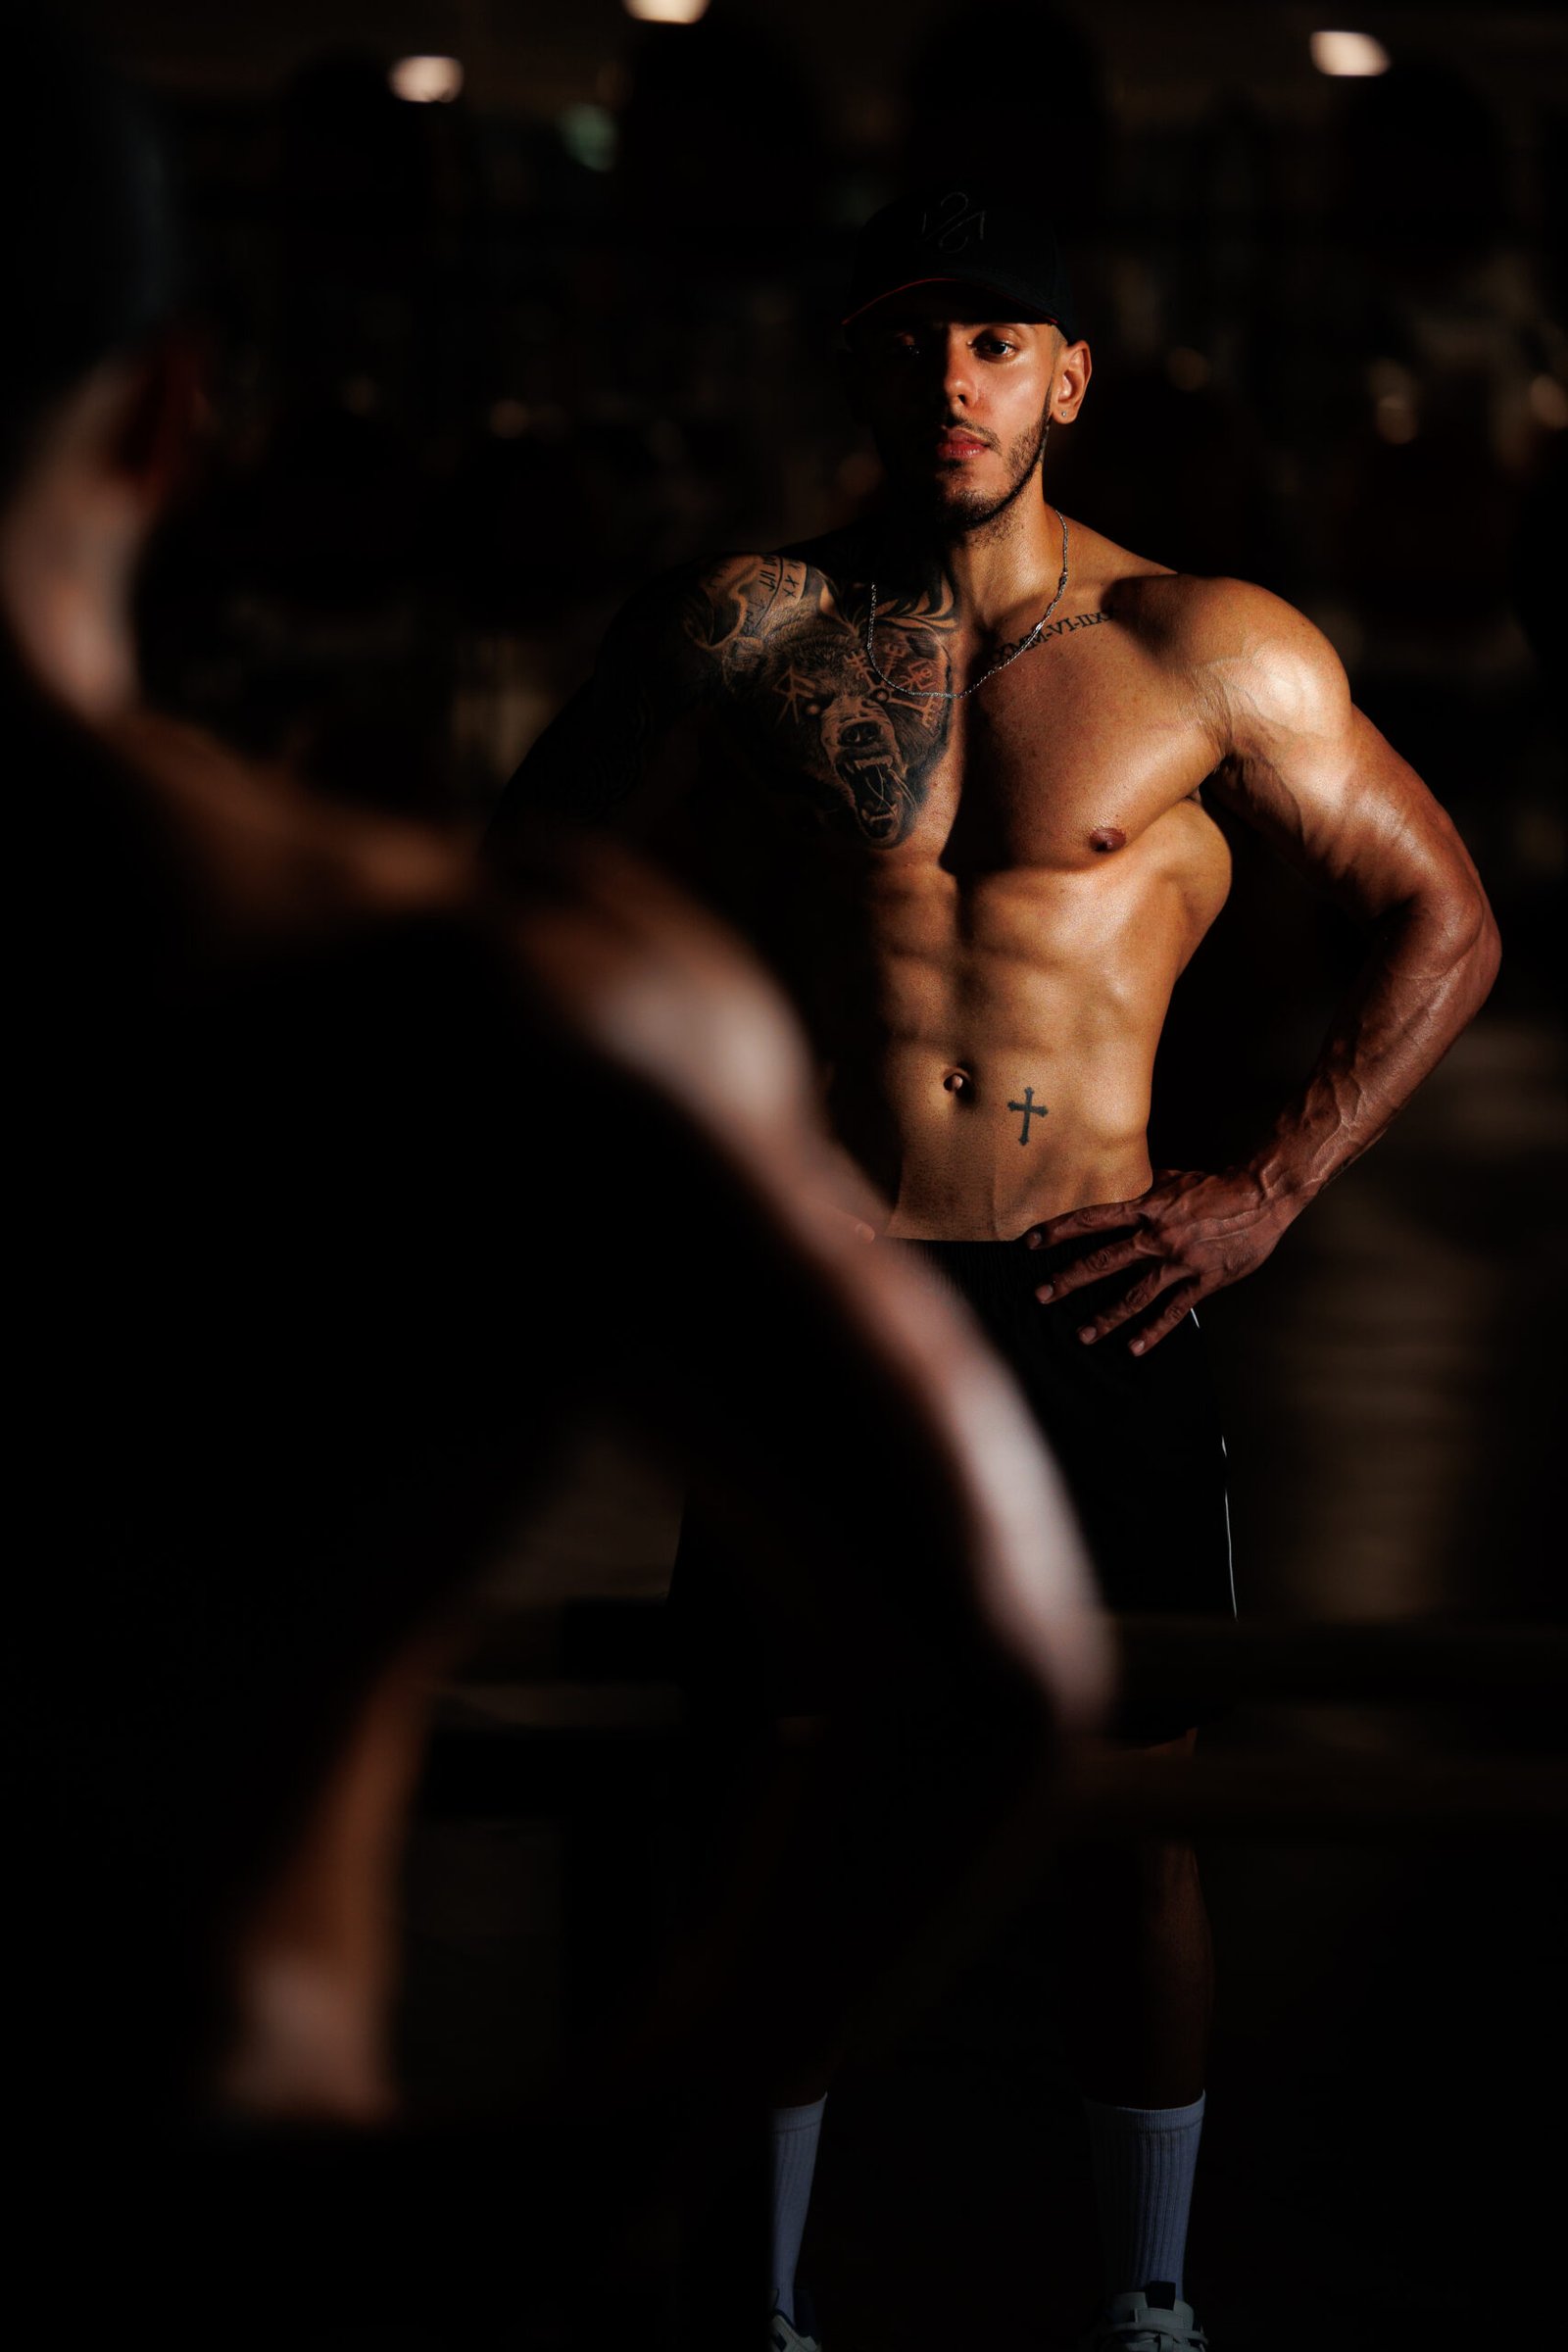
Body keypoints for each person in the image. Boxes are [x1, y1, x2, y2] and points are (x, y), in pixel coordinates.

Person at [3, 40, 1111, 2326]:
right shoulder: (466, 1001)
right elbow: (994, 1662)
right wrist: (578, 2186)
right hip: (214, 2215)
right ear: (171, 419)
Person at [487, 186, 1501, 2351]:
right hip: (830, 1300)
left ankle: (1146, 2303)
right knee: (772, 1799)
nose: (952, 381)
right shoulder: (739, 627)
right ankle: (753, 2310)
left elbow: (1444, 916)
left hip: (1089, 1296)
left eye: (996, 341)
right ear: (856, 369)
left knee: (1130, 1818)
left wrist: (1269, 1188)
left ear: (1066, 378)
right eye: (910, 338)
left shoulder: (1205, 649)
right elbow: (525, 900)